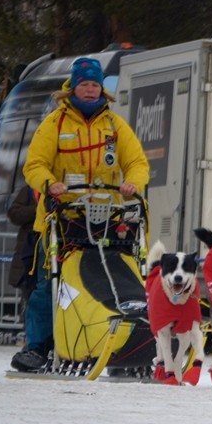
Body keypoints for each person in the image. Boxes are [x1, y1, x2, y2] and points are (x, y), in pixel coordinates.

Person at [10, 57, 149, 372]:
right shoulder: (55, 124)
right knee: (51, 283)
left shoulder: (114, 125)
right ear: (73, 87)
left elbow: (138, 162)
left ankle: (120, 343)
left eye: (95, 84)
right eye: (84, 84)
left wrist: (132, 183)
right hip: (62, 217)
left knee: (117, 276)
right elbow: (34, 165)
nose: (90, 89)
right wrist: (50, 184)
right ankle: (37, 349)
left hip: (109, 218)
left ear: (102, 88)